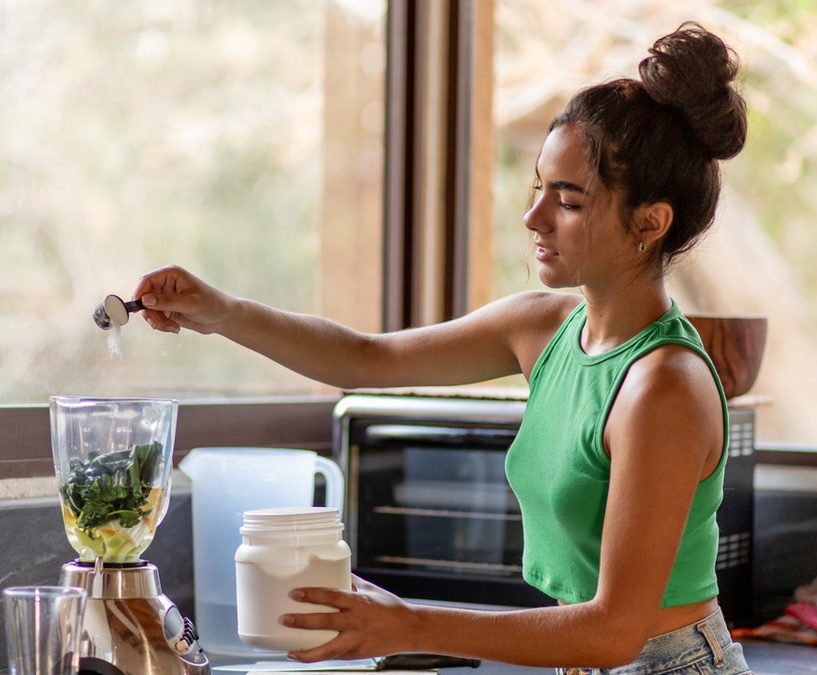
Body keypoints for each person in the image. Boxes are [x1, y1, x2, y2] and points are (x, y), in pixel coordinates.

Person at [131, 22, 753, 675]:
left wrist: (405, 625)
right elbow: (365, 359)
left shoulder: (664, 386)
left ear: (650, 222)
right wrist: (221, 312)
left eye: (567, 201)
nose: (534, 217)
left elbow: (613, 630)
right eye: (537, 186)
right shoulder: (543, 326)